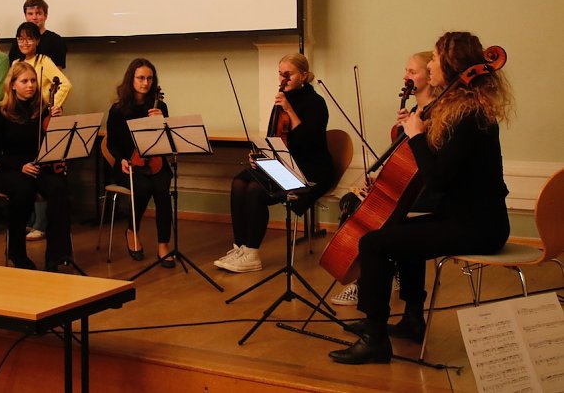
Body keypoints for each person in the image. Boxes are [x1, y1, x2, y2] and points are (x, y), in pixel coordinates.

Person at [329, 31, 513, 365]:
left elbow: (438, 180)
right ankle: (412, 319)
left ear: (451, 65)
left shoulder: (468, 116)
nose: (429, 64)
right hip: (466, 217)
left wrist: (414, 137)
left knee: (374, 243)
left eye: (435, 59)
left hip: (478, 227)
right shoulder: (460, 109)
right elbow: (443, 170)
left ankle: (374, 337)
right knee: (400, 226)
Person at [330, 51, 437, 306]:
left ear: (430, 77)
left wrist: (415, 134)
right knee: (351, 200)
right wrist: (382, 180)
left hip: (426, 191)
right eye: (406, 71)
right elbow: (403, 163)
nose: (406, 77)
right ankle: (368, 278)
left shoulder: (437, 115)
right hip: (410, 186)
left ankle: (369, 281)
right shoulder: (413, 112)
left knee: (369, 213)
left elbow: (427, 165)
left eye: (413, 72)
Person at [213, 53, 335, 273]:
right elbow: (274, 138)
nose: (283, 79)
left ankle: (252, 253)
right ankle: (240, 247)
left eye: (288, 74)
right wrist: (260, 157)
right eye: (280, 74)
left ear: (304, 76)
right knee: (240, 182)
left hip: (311, 169)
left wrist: (289, 109)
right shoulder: (281, 100)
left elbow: (311, 142)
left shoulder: (316, 103)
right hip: (286, 165)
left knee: (255, 191)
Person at [0, 62, 71, 271]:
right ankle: (16, 251)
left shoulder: (42, 111)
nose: (30, 85)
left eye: (33, 81)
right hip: (11, 169)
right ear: (12, 85)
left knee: (59, 189)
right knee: (24, 191)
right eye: (24, 81)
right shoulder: (0, 114)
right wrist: (19, 165)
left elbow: (52, 145)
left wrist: (56, 124)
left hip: (39, 166)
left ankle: (56, 256)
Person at [106, 58, 174, 267]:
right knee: (143, 187)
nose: (145, 83)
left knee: (162, 190)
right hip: (128, 163)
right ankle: (131, 230)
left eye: (149, 78)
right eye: (141, 78)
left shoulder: (159, 106)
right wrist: (122, 160)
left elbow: (167, 141)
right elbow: (111, 143)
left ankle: (163, 244)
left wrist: (162, 121)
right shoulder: (118, 109)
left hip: (156, 162)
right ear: (131, 79)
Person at [10, 21, 72, 242]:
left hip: (41, 117)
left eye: (29, 38)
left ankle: (41, 225)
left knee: (45, 172)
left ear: (37, 41)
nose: (25, 42)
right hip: (22, 119)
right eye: (21, 38)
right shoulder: (16, 62)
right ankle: (28, 221)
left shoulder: (44, 61)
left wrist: (49, 104)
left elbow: (64, 84)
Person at [7, 0, 67, 68]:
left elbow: (57, 75)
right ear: (25, 16)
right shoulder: (19, 42)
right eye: (30, 14)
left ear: (45, 16)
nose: (34, 17)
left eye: (38, 13)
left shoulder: (56, 40)